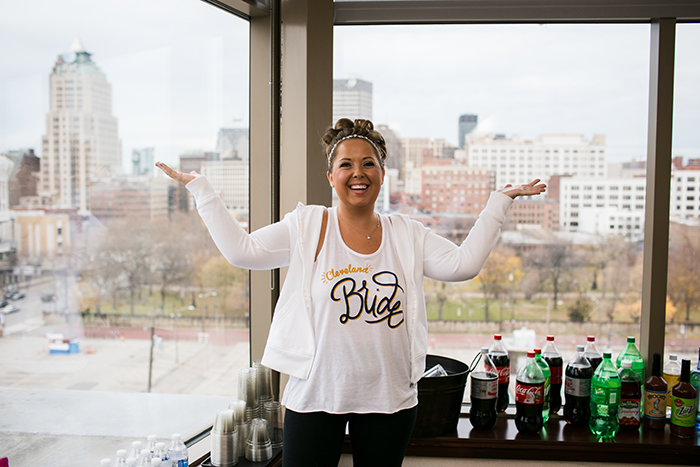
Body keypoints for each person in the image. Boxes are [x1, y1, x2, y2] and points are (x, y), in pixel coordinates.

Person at [156, 118, 545, 467]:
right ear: (330, 176)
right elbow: (244, 251)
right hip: (317, 392)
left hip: (388, 396)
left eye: (368, 163)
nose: (357, 173)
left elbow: (463, 265)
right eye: (346, 164)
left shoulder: (407, 233)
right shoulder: (308, 226)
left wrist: (500, 202)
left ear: (382, 173)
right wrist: (201, 190)